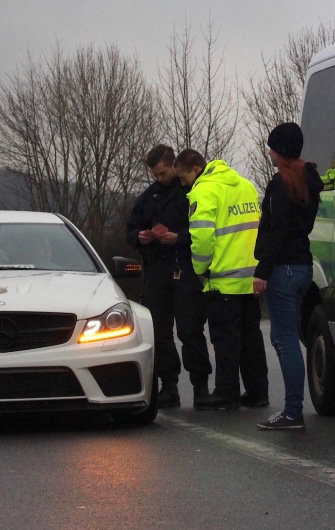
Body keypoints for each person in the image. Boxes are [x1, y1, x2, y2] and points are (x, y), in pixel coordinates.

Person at [175, 148, 269, 410]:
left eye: (183, 179)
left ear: (195, 170)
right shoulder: (245, 185)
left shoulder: (204, 190)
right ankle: (258, 391)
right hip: (251, 277)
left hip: (223, 278)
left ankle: (226, 392)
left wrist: (200, 269)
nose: (183, 185)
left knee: (226, 339)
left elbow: (202, 237)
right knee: (251, 336)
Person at [127, 144, 212, 409]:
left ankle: (201, 387)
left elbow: (204, 229)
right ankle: (169, 386)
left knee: (190, 330)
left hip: (185, 267)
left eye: (163, 173)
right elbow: (130, 230)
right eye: (155, 175)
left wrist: (179, 238)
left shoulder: (192, 191)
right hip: (157, 270)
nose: (160, 178)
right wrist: (141, 238)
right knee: (160, 332)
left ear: (173, 165)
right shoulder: (148, 197)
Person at [252, 122, 323, 431]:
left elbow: (277, 232)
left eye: (271, 147)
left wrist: (262, 271)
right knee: (285, 338)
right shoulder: (308, 181)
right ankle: (293, 409)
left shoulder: (281, 185)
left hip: (283, 269)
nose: (268, 152)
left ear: (279, 150)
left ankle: (293, 412)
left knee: (286, 340)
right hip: (303, 267)